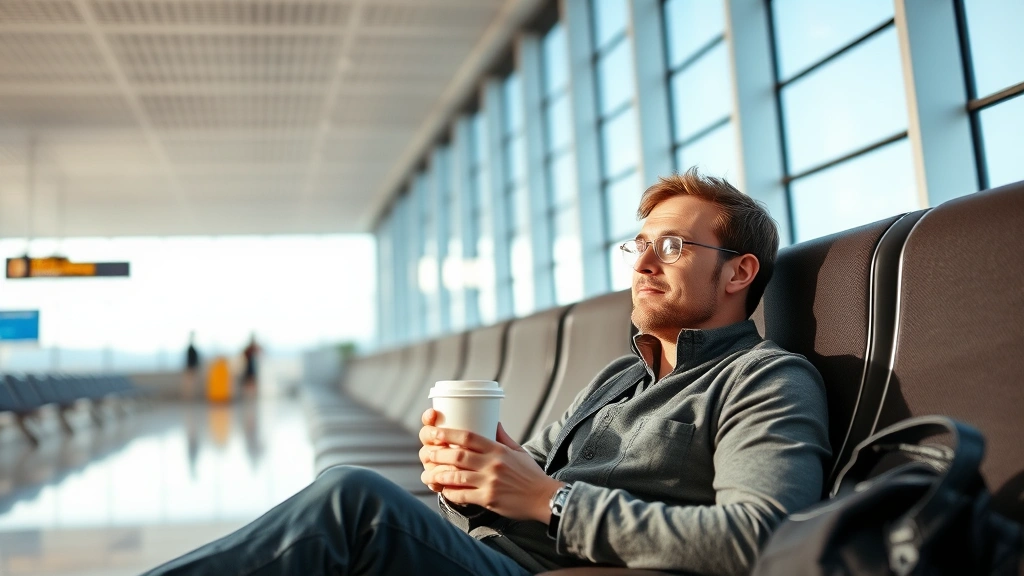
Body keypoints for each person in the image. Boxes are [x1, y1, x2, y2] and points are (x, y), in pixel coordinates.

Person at [142, 168, 830, 576]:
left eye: (672, 246)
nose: (643, 263)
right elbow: (524, 476)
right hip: (491, 553)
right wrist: (470, 478)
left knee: (351, 502)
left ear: (740, 271)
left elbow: (764, 535)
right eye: (639, 245)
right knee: (347, 506)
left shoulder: (763, 379)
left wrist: (550, 503)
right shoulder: (619, 380)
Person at [182, 331, 201, 400]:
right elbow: (190, 359)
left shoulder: (192, 348)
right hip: (190, 367)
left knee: (191, 384)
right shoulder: (190, 348)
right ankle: (188, 397)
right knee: (189, 384)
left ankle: (190, 396)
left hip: (192, 367)